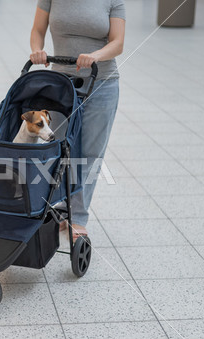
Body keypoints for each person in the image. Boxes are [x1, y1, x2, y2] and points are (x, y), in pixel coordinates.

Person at [30, 0, 126, 241]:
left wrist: (95, 55)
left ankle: (78, 217)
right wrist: (37, 49)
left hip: (101, 83)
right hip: (61, 84)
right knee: (63, 149)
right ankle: (64, 205)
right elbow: (38, 30)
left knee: (91, 152)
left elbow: (118, 42)